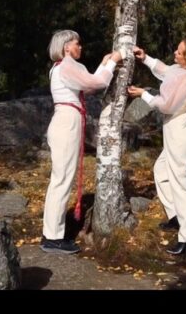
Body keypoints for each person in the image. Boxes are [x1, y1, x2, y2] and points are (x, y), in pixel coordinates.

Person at [41, 29, 123, 254]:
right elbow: (96, 83)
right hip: (67, 122)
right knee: (62, 180)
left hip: (65, 121)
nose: (80, 47)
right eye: (77, 43)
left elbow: (87, 84)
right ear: (66, 46)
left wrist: (104, 63)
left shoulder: (65, 68)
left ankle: (51, 233)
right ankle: (53, 238)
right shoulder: (67, 66)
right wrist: (113, 61)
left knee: (60, 179)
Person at [127, 39, 186, 255]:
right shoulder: (180, 71)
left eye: (179, 52)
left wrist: (143, 94)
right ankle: (176, 216)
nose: (175, 53)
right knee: (161, 171)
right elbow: (165, 70)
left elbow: (167, 105)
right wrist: (145, 58)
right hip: (179, 130)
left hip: (182, 131)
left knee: (181, 183)